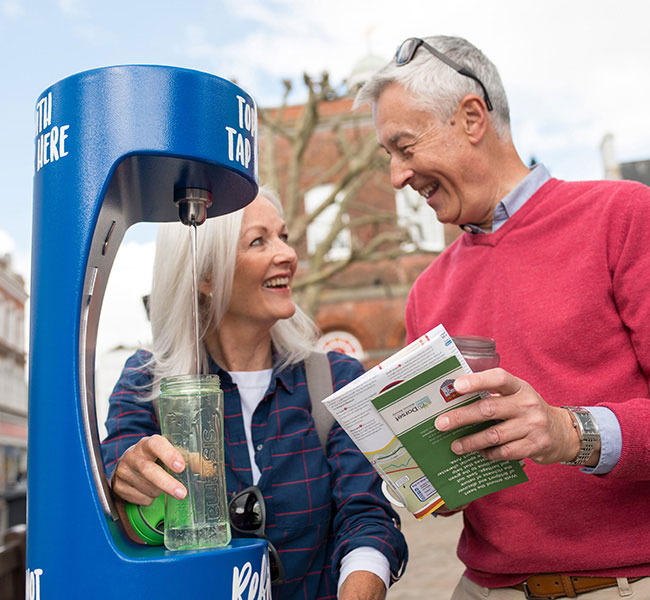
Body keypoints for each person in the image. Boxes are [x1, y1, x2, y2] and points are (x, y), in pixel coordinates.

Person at [355, 35, 650, 600]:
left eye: (404, 147)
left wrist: (571, 432)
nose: (395, 176)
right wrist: (427, 479)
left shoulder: (623, 216)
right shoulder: (427, 290)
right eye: (386, 156)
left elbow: (564, 432)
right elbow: (454, 483)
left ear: (471, 118)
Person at [101, 187, 407, 600]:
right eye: (259, 241)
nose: (287, 254)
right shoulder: (147, 383)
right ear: (206, 274)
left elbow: (366, 516)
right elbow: (115, 515)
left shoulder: (336, 378)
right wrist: (126, 479)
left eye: (283, 236)